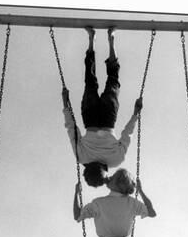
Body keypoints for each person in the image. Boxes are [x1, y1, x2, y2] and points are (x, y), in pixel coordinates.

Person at [62, 28, 144, 187]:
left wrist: (135, 114)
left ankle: (105, 39)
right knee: (90, 80)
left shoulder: (116, 160)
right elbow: (71, 129)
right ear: (87, 170)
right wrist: (65, 104)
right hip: (92, 119)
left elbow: (128, 134)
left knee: (112, 80)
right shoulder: (82, 158)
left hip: (107, 120)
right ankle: (94, 39)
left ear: (105, 174)